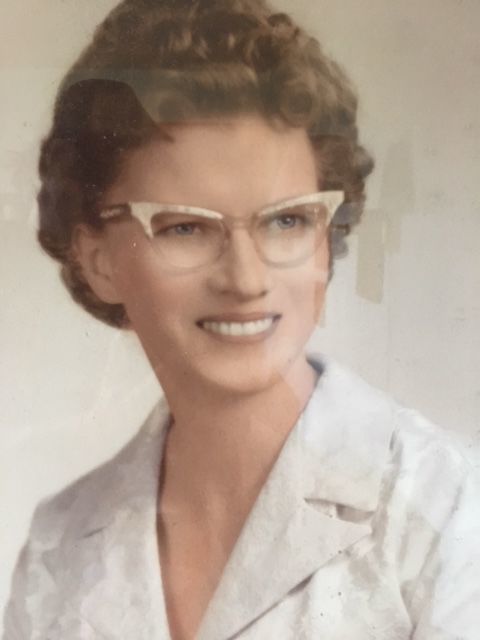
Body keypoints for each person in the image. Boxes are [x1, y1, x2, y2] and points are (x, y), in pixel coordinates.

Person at [3, 0, 479, 638]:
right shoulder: (58, 548)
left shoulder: (451, 510)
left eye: (288, 220)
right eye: (184, 227)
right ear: (98, 260)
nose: (247, 279)